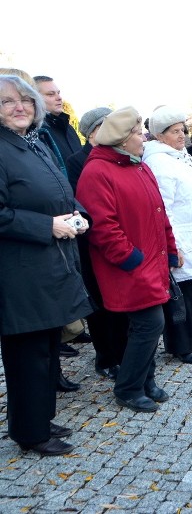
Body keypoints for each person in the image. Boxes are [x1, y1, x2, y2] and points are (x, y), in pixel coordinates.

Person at [0, 75, 92, 455]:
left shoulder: (31, 144)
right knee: (28, 354)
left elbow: (60, 192)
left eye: (25, 99)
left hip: (51, 263)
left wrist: (78, 214)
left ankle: (40, 419)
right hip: (20, 270)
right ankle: (30, 432)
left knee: (47, 348)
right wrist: (46, 226)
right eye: (7, 102)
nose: (19, 106)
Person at [77, 106, 177, 413]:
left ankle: (145, 381)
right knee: (150, 324)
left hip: (151, 262)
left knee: (149, 324)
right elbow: (103, 227)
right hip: (129, 267)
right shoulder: (97, 172)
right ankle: (129, 387)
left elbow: (160, 213)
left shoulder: (138, 166)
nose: (143, 136)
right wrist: (131, 259)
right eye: (137, 133)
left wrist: (171, 249)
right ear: (122, 139)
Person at [142, 106, 192, 364]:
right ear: (160, 135)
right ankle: (180, 346)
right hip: (182, 237)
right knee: (180, 296)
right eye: (175, 132)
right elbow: (164, 208)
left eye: (182, 130)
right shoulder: (158, 161)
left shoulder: (183, 156)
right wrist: (175, 246)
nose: (181, 136)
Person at [69, 107, 129, 380]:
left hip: (118, 237)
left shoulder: (120, 157)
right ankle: (105, 357)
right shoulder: (77, 161)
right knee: (100, 303)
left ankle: (124, 351)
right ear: (94, 131)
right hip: (92, 242)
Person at [33, 75, 83, 166]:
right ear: (35, 98)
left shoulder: (68, 128)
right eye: (51, 94)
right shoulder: (35, 132)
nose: (59, 98)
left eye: (58, 93)